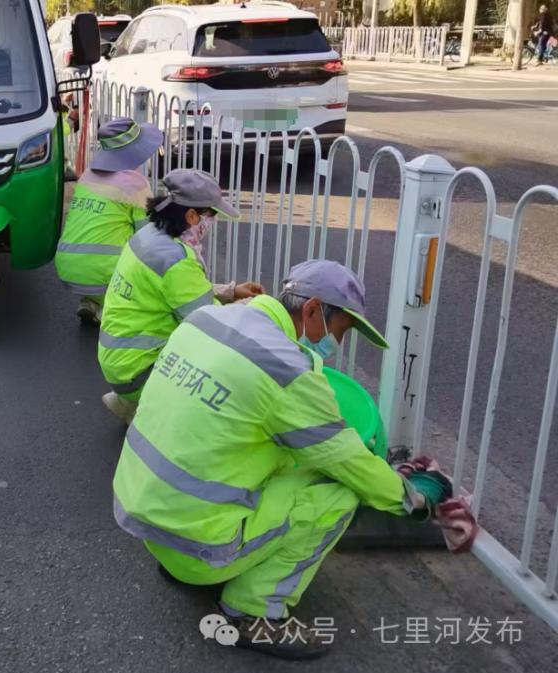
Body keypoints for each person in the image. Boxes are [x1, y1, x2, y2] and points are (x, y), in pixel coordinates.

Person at [111, 259, 449, 659]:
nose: (335, 343)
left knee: (268, 450)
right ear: (311, 310)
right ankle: (255, 613)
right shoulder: (286, 370)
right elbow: (352, 464)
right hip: (196, 546)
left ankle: (188, 566)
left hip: (149, 524)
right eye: (338, 330)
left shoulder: (207, 320)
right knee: (340, 491)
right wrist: (415, 500)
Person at [97, 169, 263, 423]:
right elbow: (211, 323)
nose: (213, 222)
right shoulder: (176, 259)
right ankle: (151, 407)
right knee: (229, 369)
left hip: (120, 363)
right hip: (141, 371)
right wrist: (251, 307)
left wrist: (229, 291)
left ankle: (131, 401)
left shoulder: (149, 236)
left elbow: (174, 292)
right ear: (192, 215)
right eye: (212, 215)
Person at [55, 118, 162, 325]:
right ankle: (109, 311)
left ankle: (92, 301)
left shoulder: (87, 176)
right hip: (105, 273)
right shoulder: (134, 183)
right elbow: (147, 236)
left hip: (67, 266)